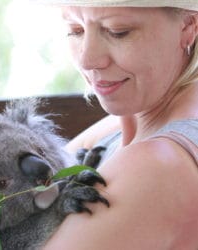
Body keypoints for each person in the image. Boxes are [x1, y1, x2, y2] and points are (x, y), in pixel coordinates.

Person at [29, 0, 198, 249]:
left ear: (188, 27)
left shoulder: (157, 164)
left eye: (118, 31)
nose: (87, 59)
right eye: (75, 30)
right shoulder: (116, 129)